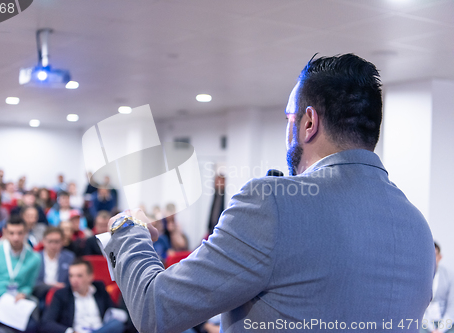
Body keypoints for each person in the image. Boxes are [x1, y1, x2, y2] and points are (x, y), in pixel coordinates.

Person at [103, 54, 436, 333]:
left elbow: (156, 309)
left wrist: (127, 232)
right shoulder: (418, 227)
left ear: (309, 123)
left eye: (288, 118)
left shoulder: (273, 202)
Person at [40, 258, 125, 333]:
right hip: (77, 330)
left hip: (101, 329)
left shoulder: (99, 289)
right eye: (71, 276)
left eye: (79, 276)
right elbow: (47, 323)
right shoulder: (62, 295)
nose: (74, 280)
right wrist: (71, 332)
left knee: (117, 324)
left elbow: (114, 311)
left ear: (90, 277)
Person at [33, 227, 75, 304]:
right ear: (44, 241)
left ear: (62, 242)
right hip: (40, 295)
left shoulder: (69, 257)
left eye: (56, 242)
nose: (53, 245)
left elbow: (72, 280)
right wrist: (51, 286)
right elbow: (33, 282)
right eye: (50, 241)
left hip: (62, 296)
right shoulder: (36, 257)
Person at [421, 242, 454, 333]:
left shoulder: (450, 276)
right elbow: (417, 306)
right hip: (425, 323)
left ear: (440, 257)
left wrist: (440, 329)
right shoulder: (418, 277)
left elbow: (452, 307)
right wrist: (432, 329)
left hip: (445, 322)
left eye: (434, 255)